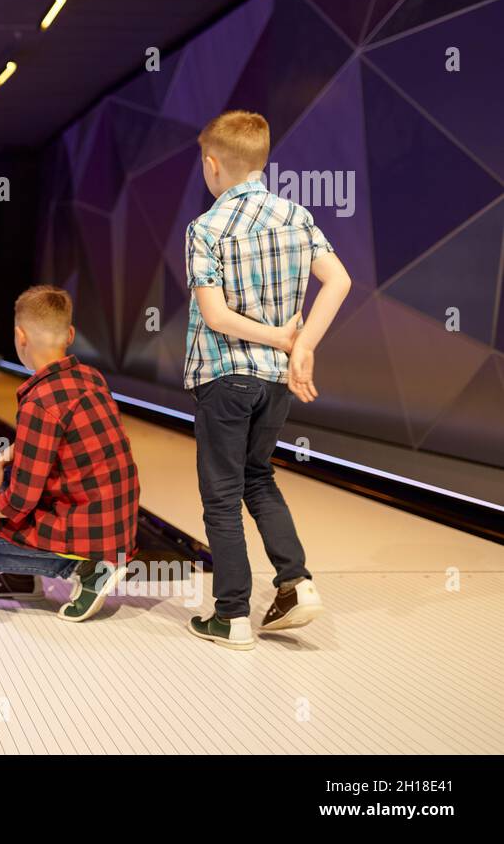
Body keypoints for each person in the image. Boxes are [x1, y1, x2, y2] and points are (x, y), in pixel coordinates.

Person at [183, 109, 351, 650]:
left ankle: (230, 616)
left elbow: (214, 316)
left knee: (222, 495)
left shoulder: (205, 228)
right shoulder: (297, 216)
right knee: (259, 479)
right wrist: (301, 345)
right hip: (274, 383)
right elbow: (339, 281)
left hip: (224, 374)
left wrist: (282, 339)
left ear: (212, 165)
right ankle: (294, 583)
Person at [0, 286, 139, 622]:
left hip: (97, 535)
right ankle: (23, 579)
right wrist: (1, 458)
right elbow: (42, 447)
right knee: (16, 473)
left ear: (19, 336)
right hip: (119, 526)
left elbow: (20, 501)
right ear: (70, 334)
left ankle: (88, 569)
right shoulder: (92, 377)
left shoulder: (40, 401)